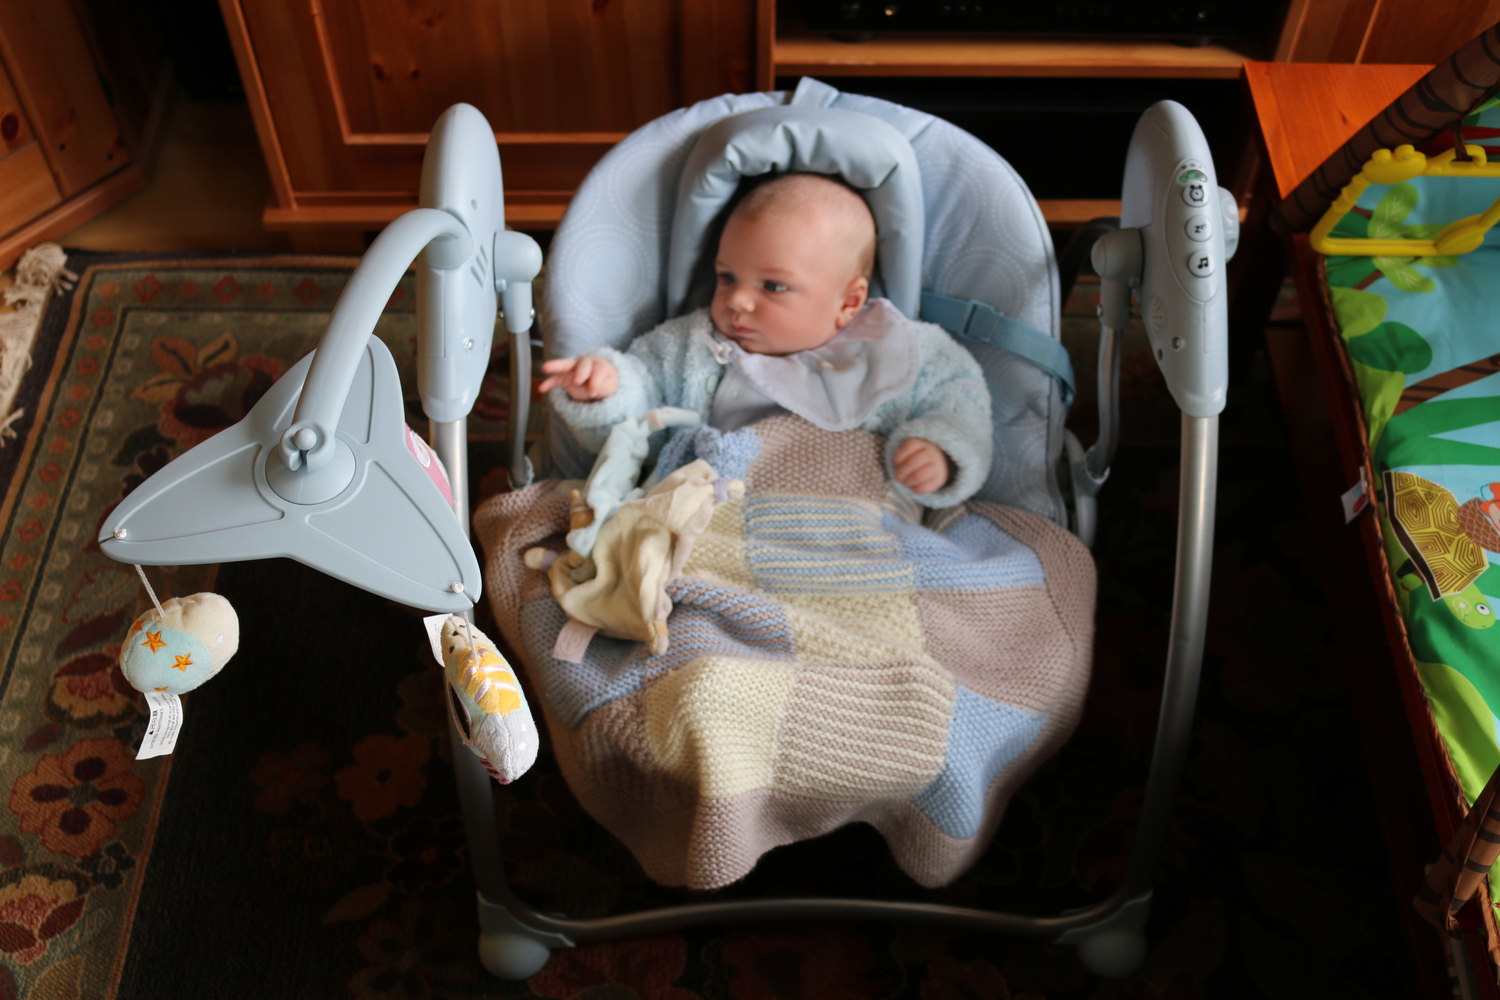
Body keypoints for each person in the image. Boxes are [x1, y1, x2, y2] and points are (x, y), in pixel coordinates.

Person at [538, 172, 992, 507]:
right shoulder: (691, 346)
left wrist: (942, 451)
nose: (737, 301)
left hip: (850, 522)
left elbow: (959, 401)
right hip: (713, 518)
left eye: (772, 286)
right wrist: (609, 389)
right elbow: (642, 420)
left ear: (849, 302)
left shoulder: (901, 352)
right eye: (726, 277)